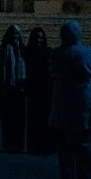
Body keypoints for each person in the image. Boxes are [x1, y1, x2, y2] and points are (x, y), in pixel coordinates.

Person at [49, 21, 91, 179]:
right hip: (84, 103)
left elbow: (52, 71)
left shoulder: (57, 53)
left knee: (65, 149)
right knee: (84, 147)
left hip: (63, 104)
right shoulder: (87, 52)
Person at [0, 25, 28, 152]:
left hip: (20, 88)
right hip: (6, 88)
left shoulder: (23, 51)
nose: (15, 36)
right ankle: (8, 143)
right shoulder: (0, 50)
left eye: (17, 34)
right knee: (6, 118)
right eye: (12, 34)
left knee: (20, 118)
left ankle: (18, 143)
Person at [24, 26, 55, 154]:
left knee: (45, 117)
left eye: (41, 38)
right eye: (37, 37)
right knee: (33, 117)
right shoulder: (28, 52)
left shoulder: (48, 52)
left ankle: (45, 144)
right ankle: (34, 145)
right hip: (34, 87)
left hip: (46, 88)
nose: (39, 40)